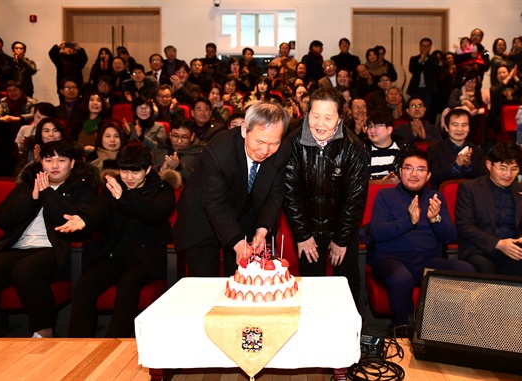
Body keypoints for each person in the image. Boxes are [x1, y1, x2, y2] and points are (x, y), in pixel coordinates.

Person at [62, 143, 179, 338]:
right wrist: (84, 219)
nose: (129, 178)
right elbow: (101, 210)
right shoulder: (113, 186)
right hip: (116, 253)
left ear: (148, 169)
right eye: (124, 172)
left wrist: (124, 197)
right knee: (86, 283)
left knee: (128, 284)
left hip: (147, 256)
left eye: (135, 172)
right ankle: (78, 343)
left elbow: (152, 213)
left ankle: (115, 343)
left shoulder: (161, 188)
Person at [0, 140, 100, 338]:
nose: (54, 165)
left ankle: (44, 330)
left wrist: (47, 194)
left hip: (56, 249)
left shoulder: (82, 188)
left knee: (25, 270)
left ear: (72, 163)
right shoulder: (27, 185)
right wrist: (31, 198)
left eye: (61, 160)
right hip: (19, 247)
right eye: (48, 160)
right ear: (41, 163)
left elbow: (74, 220)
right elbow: (2, 217)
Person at [172, 102, 291, 277]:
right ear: (244, 130)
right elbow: (214, 202)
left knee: (243, 282)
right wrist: (236, 242)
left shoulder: (282, 150)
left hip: (243, 216)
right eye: (260, 141)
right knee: (207, 287)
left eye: (273, 143)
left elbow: (275, 194)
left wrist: (262, 229)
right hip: (203, 220)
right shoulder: (219, 149)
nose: (265, 150)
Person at [283, 87, 369, 311]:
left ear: (340, 118)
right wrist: (302, 235)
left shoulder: (353, 147)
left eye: (328, 117)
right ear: (307, 113)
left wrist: (341, 240)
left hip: (342, 228)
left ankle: (351, 335)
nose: (320, 123)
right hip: (307, 228)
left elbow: (355, 198)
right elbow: (289, 191)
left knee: (347, 285)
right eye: (315, 116)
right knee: (311, 287)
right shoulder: (292, 142)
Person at [370, 147, 474, 326]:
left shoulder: (435, 197)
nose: (413, 174)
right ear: (401, 172)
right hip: (391, 260)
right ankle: (403, 329)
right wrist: (409, 221)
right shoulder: (385, 195)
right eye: (408, 168)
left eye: (420, 170)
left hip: (426, 262)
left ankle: (441, 329)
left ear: (428, 176)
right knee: (400, 278)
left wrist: (436, 219)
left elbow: (450, 237)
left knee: (466, 270)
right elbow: (377, 233)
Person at [455, 141, 522, 278]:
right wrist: (499, 244)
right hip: (481, 250)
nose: (508, 175)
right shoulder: (470, 189)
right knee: (489, 274)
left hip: (514, 251)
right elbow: (465, 226)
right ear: (489, 165)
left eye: (514, 169)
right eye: (502, 168)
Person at [428, 108, 486, 190]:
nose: (460, 129)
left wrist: (468, 166)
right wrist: (457, 165)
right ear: (447, 128)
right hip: (442, 197)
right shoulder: (434, 149)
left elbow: (481, 178)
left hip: (471, 197)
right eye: (455, 125)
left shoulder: (477, 151)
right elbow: (434, 177)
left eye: (464, 125)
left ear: (469, 128)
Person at [152, 117, 205, 182]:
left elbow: (201, 179)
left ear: (192, 136)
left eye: (184, 137)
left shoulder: (201, 152)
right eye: (175, 136)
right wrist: (160, 170)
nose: (179, 141)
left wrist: (179, 167)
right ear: (170, 134)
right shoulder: (158, 149)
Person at [407, 38, 438, 123]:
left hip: (428, 89)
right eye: (422, 46)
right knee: (414, 108)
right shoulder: (414, 58)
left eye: (427, 46)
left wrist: (426, 59)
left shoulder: (433, 59)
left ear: (430, 47)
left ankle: (427, 126)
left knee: (427, 109)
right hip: (416, 88)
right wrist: (421, 60)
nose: (424, 48)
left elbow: (434, 68)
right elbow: (412, 68)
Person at [488, 64, 522, 130]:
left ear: (509, 73)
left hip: (515, 117)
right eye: (499, 73)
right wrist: (508, 78)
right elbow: (496, 95)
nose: (502, 75)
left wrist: (514, 77)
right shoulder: (494, 89)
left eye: (504, 72)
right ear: (496, 77)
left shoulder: (514, 87)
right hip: (498, 118)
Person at [365, 110, 401, 182]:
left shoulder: (403, 150)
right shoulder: (361, 151)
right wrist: (380, 182)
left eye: (376, 126)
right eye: (369, 126)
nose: (372, 130)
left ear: (389, 129)